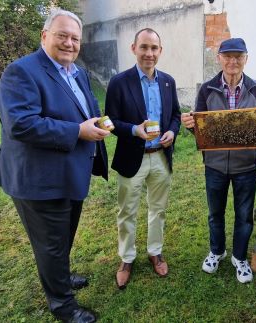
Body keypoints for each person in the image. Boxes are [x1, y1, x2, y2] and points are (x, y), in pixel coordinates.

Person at [0, 8, 108, 323]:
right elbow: (21, 124)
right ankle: (64, 307)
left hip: (71, 172)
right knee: (52, 245)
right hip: (38, 179)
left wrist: (101, 122)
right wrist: (78, 131)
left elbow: (87, 108)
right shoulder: (21, 71)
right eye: (62, 35)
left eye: (75, 38)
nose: (69, 43)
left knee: (63, 237)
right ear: (44, 36)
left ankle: (60, 277)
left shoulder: (77, 72)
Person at [181, 38, 256, 283]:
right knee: (215, 213)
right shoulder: (207, 89)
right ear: (219, 59)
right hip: (214, 166)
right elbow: (201, 130)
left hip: (246, 167)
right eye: (228, 56)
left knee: (243, 215)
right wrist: (190, 126)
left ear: (246, 59)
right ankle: (216, 251)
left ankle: (239, 257)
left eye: (238, 56)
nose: (233, 61)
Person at [105, 28, 181, 289]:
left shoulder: (168, 81)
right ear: (133, 48)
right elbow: (111, 120)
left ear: (160, 51)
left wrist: (172, 131)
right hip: (132, 157)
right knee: (127, 211)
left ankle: (155, 251)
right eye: (144, 47)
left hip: (161, 157)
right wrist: (133, 130)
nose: (149, 53)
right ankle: (127, 258)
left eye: (154, 48)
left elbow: (176, 116)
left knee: (157, 210)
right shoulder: (119, 82)